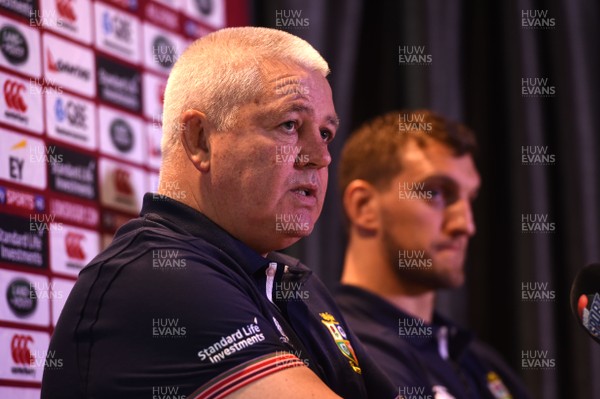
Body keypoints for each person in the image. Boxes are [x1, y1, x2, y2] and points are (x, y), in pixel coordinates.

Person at [41, 27, 396, 399]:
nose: (321, 157)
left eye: (325, 134)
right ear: (200, 139)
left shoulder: (296, 282)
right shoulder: (157, 274)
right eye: (290, 125)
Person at [335, 110, 531, 399]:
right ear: (364, 207)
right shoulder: (331, 346)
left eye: (469, 199)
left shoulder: (481, 361)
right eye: (437, 193)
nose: (466, 225)